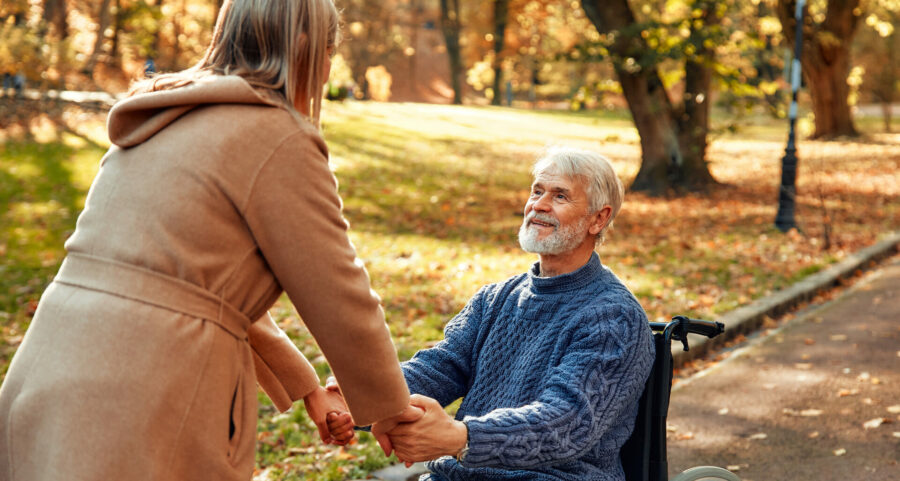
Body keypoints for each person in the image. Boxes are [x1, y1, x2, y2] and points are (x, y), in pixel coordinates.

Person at [0, 1, 420, 480]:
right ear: (303, 48)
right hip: (144, 388)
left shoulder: (165, 115)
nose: (328, 68)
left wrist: (307, 388)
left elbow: (186, 288)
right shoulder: (278, 136)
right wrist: (389, 407)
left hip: (50, 364)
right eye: (329, 50)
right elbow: (340, 294)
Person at [330, 146, 655, 480]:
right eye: (537, 191)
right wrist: (358, 397)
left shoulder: (614, 318)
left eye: (560, 196)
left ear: (598, 218)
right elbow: (439, 368)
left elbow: (565, 424)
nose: (539, 204)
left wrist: (461, 438)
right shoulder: (495, 299)